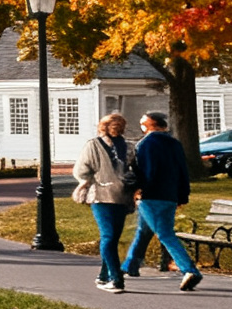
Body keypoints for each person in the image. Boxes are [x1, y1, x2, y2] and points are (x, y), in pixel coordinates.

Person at [126, 111, 202, 291]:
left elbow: (143, 172)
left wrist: (138, 190)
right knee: (143, 231)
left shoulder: (144, 145)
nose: (141, 125)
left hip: (150, 196)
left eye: (143, 122)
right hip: (169, 196)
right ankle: (130, 266)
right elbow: (183, 171)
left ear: (151, 125)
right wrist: (182, 195)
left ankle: (189, 270)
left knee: (165, 234)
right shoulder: (175, 144)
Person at [73, 112, 139, 293]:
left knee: (109, 238)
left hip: (104, 195)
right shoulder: (128, 147)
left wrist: (85, 183)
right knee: (111, 237)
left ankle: (111, 277)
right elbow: (134, 170)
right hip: (117, 196)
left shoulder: (95, 145)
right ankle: (109, 276)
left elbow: (82, 170)